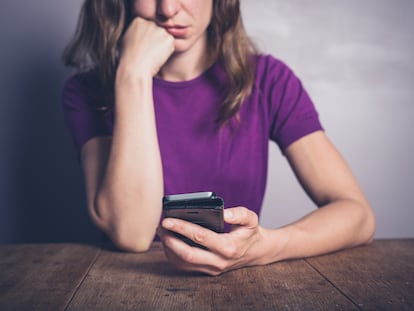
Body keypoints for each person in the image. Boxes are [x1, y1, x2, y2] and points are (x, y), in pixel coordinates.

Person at [61, 0, 375, 276]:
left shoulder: (268, 80)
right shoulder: (88, 91)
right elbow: (131, 234)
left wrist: (265, 246)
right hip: (119, 286)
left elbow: (357, 215)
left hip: (239, 287)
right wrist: (133, 74)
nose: (168, 9)